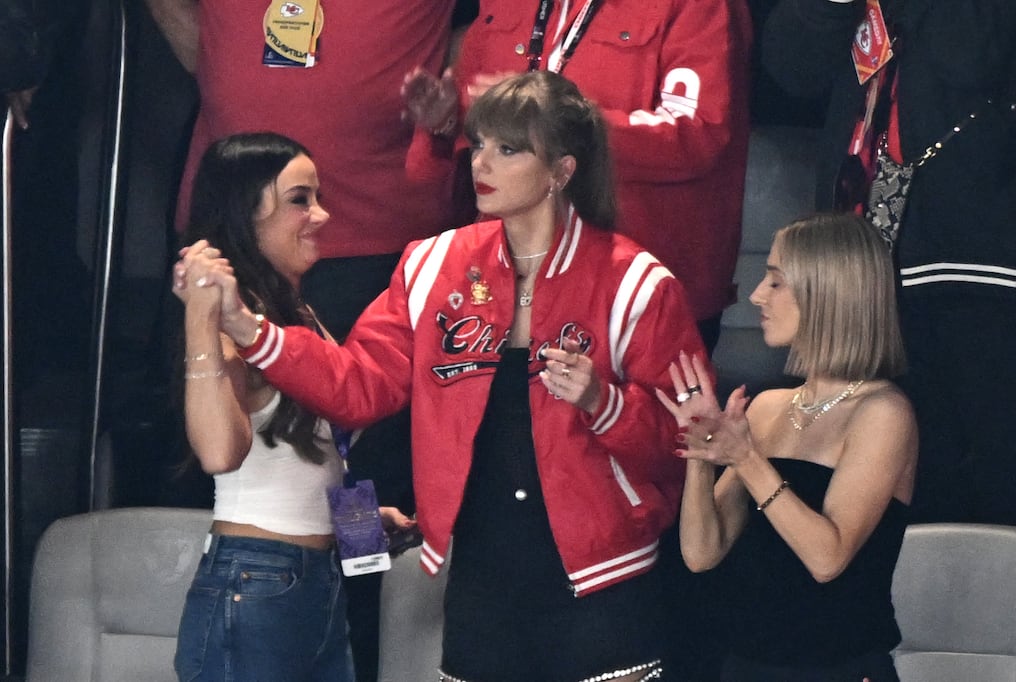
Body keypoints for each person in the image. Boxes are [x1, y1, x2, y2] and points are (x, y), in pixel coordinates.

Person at [176, 70, 706, 681]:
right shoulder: (432, 264)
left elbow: (682, 447)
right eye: (479, 143)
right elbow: (358, 386)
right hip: (480, 584)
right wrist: (249, 331)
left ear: (562, 170)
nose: (482, 162)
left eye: (508, 149)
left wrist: (604, 402)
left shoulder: (638, 283)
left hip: (604, 587)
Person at [760, 0, 1016, 525]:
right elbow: (791, 67)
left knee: (967, 483)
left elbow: (968, 55)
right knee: (859, 489)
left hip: (970, 268)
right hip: (857, 265)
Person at [172, 132, 412, 681]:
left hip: (313, 582)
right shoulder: (236, 317)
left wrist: (360, 527)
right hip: (257, 581)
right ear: (247, 212)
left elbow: (318, 452)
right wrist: (202, 315)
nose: (322, 215)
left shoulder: (296, 313)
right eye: (300, 199)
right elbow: (217, 452)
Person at [401, 0, 753, 353]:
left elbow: (698, 135)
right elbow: (474, 132)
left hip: (636, 292)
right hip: (506, 284)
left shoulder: (698, 6)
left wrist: (561, 122)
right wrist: (446, 121)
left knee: (630, 409)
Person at [658, 213, 917, 681]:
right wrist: (701, 450)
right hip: (747, 665)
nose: (757, 295)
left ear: (827, 294)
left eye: (776, 282)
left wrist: (747, 459)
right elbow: (701, 552)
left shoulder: (883, 412)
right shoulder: (768, 407)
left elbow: (827, 559)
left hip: (837, 669)